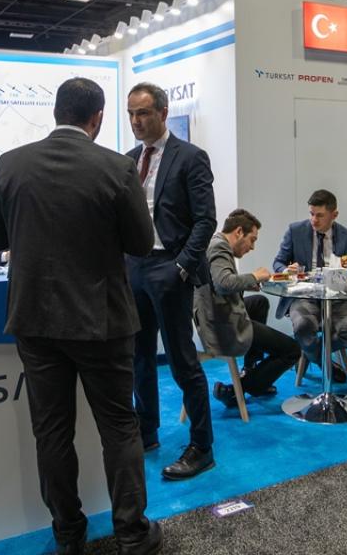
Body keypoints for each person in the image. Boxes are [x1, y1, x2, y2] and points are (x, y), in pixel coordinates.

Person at [0, 77, 161, 555]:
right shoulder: (117, 168)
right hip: (102, 321)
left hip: (35, 321)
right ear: (97, 118)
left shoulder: (10, 164)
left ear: (56, 112)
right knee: (119, 427)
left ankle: (67, 534)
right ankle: (131, 535)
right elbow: (141, 243)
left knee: (52, 431)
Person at [125, 82, 218, 481]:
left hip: (169, 267)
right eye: (131, 114)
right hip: (134, 268)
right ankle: (146, 431)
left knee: (182, 360)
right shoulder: (129, 160)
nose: (136, 121)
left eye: (143, 113)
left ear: (163, 113)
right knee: (139, 356)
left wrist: (181, 266)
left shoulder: (190, 157)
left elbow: (206, 219)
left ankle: (202, 446)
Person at [194, 209, 301, 408]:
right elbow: (223, 283)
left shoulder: (215, 242)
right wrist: (254, 276)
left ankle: (250, 369)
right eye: (252, 240)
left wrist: (248, 283)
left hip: (211, 317)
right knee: (293, 350)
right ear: (238, 232)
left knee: (259, 302)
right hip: (221, 328)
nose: (252, 247)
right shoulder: (219, 248)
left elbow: (218, 285)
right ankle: (239, 389)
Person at [272, 189, 347, 382]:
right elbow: (278, 262)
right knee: (303, 327)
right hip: (304, 295)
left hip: (338, 298)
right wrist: (287, 269)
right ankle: (323, 361)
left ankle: (307, 351)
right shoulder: (295, 231)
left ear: (334, 215)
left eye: (320, 215)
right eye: (311, 214)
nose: (314, 220)